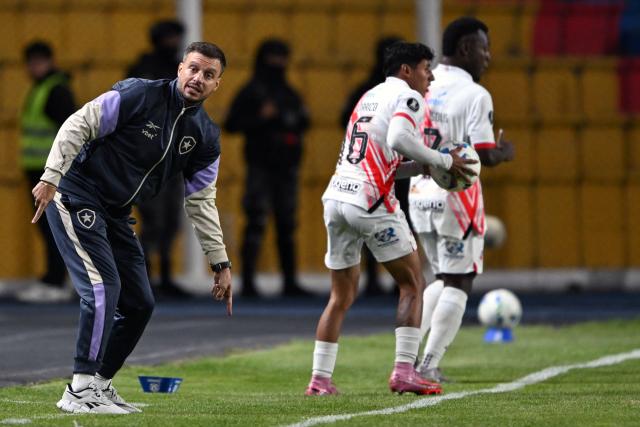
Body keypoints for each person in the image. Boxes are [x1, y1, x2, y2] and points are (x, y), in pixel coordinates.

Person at [31, 42, 233, 414]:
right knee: (102, 288)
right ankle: (78, 392)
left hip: (117, 212)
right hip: (78, 193)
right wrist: (52, 176)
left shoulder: (205, 136)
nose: (198, 78)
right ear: (179, 69)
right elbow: (79, 122)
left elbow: (202, 202)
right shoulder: (139, 94)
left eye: (208, 75)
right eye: (193, 69)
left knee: (140, 302)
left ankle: (100, 384)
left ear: (218, 84)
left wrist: (219, 262)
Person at [304, 42, 476, 396]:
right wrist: (444, 162)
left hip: (337, 197)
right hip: (369, 200)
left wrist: (425, 165)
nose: (430, 76)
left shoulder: (369, 97)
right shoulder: (410, 98)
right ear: (407, 70)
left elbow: (382, 157)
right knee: (414, 282)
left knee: (340, 296)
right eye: (426, 68)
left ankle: (319, 380)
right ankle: (403, 372)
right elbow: (398, 138)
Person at [409, 17, 515, 383]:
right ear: (467, 49)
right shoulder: (475, 94)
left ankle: (407, 357)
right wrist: (504, 152)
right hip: (457, 195)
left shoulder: (424, 84)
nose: (488, 56)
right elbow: (483, 153)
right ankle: (429, 365)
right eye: (484, 48)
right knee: (460, 280)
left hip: (420, 192)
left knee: (441, 277)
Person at [224, 39, 310, 298]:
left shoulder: (289, 92)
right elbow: (231, 123)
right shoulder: (252, 91)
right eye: (274, 57)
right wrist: (260, 118)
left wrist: (289, 122)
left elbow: (304, 122)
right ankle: (248, 282)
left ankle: (290, 281)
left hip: (286, 167)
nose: (278, 63)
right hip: (260, 165)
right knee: (256, 222)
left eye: (282, 57)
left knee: (287, 224)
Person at [127, 20, 190, 298]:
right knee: (152, 221)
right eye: (169, 37)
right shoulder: (143, 70)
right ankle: (146, 278)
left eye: (176, 36)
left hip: (173, 158)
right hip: (148, 158)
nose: (173, 41)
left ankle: (164, 276)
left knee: (171, 221)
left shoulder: (183, 69)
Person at [339, 36, 403, 297]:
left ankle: (377, 278)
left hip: (368, 168)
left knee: (370, 222)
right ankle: (393, 278)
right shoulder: (404, 94)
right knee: (396, 220)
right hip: (387, 166)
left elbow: (346, 122)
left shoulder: (365, 92)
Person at [17, 41, 75, 303]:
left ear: (50, 61)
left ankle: (57, 279)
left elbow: (69, 133)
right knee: (46, 226)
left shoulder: (56, 90)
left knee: (53, 226)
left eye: (39, 61)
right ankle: (53, 276)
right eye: (31, 61)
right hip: (37, 169)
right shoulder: (40, 88)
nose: (34, 66)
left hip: (50, 173)